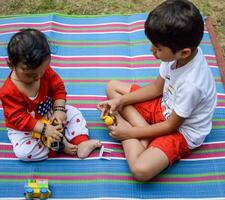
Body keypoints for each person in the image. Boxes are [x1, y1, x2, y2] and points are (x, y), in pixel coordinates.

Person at [97, 0, 217, 181]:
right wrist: (120, 102)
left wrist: (127, 134)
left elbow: (171, 126)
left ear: (184, 52)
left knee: (140, 170)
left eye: (158, 48)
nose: (151, 50)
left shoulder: (192, 85)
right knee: (112, 87)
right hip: (164, 106)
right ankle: (145, 132)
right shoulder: (175, 57)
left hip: (180, 131)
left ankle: (139, 135)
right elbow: (156, 88)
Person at [0, 28, 101, 161]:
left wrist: (59, 110)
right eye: (30, 75)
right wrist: (44, 130)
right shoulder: (8, 91)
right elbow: (19, 118)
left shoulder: (43, 71)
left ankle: (80, 142)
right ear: (11, 65)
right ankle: (58, 146)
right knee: (23, 153)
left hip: (49, 113)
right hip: (26, 128)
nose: (38, 77)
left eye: (41, 71)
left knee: (74, 113)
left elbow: (58, 87)